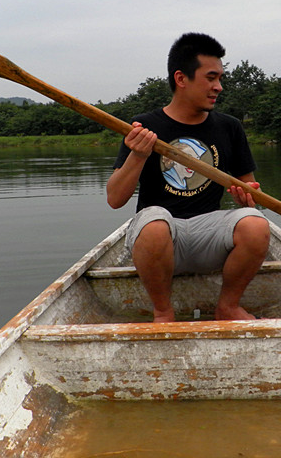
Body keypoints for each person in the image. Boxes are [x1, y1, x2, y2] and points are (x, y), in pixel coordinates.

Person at [106, 32, 270, 323]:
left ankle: (228, 306)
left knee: (256, 226)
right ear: (181, 79)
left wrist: (247, 200)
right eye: (210, 78)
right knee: (155, 223)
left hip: (209, 236)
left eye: (220, 78)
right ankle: (163, 311)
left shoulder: (230, 127)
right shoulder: (146, 126)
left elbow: (250, 195)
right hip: (160, 238)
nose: (218, 87)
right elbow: (115, 199)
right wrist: (139, 154)